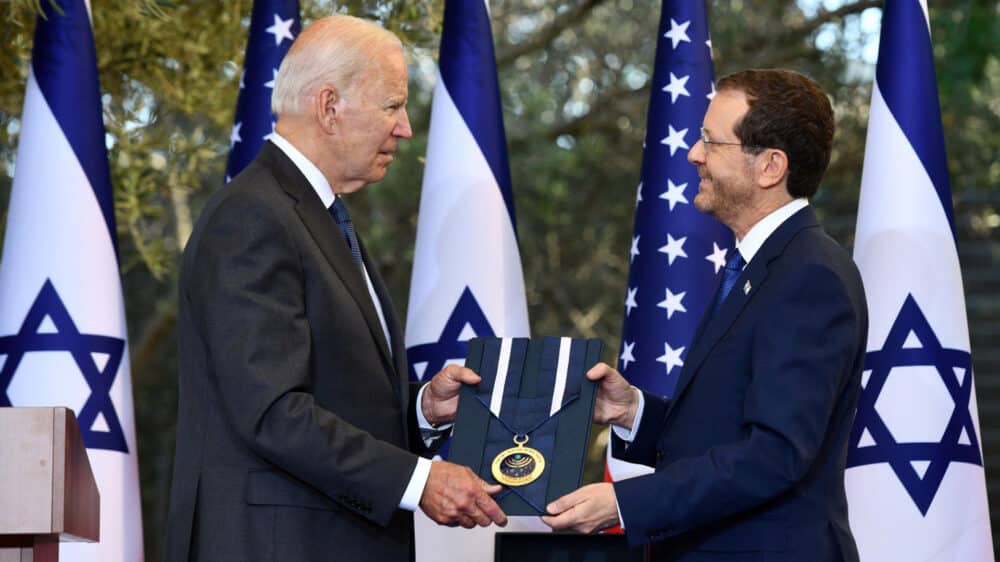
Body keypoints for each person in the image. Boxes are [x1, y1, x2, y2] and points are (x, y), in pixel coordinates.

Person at [165, 15, 506, 562]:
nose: (406, 128)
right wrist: (421, 481)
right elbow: (272, 411)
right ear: (329, 106)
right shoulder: (253, 217)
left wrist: (420, 409)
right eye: (392, 106)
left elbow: (331, 392)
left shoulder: (319, 217)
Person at [542, 69, 868, 562]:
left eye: (710, 142)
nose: (694, 154)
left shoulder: (809, 276)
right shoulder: (760, 264)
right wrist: (634, 410)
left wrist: (625, 504)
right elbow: (723, 426)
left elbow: (774, 454)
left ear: (770, 167)